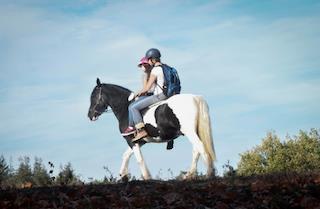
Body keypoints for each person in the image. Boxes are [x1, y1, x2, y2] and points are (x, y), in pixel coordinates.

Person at [123, 48, 167, 142]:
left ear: (152, 59)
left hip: (159, 96)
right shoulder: (166, 67)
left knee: (133, 108)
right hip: (170, 94)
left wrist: (135, 94)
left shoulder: (155, 70)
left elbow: (146, 88)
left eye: (149, 60)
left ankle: (141, 130)